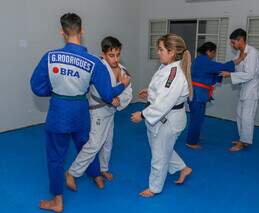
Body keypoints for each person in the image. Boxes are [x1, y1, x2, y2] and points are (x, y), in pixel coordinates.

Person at [30, 13, 129, 212]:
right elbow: (108, 94)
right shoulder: (93, 62)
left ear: (62, 32)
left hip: (59, 112)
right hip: (81, 112)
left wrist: (56, 92)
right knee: (86, 145)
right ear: (82, 31)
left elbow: (36, 87)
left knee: (56, 157)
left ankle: (57, 201)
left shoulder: (50, 57)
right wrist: (122, 85)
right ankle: (97, 177)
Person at [65, 36, 133, 190]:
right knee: (94, 144)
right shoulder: (98, 68)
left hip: (111, 112)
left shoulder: (123, 71)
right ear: (103, 54)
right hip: (98, 110)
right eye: (111, 55)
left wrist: (120, 101)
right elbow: (103, 92)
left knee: (108, 143)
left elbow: (128, 91)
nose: (115, 59)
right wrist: (112, 98)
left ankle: (103, 169)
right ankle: (72, 172)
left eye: (118, 55)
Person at [131, 33, 193, 198]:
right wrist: (149, 92)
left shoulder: (175, 74)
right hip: (163, 117)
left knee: (159, 155)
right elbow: (162, 91)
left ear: (172, 52)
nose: (158, 52)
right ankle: (184, 169)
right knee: (162, 149)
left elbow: (164, 103)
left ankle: (155, 187)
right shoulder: (167, 67)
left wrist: (142, 115)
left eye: (161, 49)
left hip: (168, 120)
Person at [185, 42, 246, 149]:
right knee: (197, 118)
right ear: (209, 51)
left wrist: (222, 74)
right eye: (214, 53)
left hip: (194, 93)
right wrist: (239, 60)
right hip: (198, 94)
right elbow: (222, 67)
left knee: (196, 117)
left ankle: (194, 136)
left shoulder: (198, 60)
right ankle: (191, 142)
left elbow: (210, 73)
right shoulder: (205, 61)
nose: (214, 55)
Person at [220, 28, 259, 152]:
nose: (232, 45)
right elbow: (237, 68)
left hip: (252, 89)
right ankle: (242, 138)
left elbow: (249, 74)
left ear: (241, 40)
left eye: (233, 42)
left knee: (247, 117)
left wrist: (230, 75)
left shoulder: (252, 53)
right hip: (244, 88)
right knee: (240, 114)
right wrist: (226, 70)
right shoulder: (240, 54)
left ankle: (244, 142)